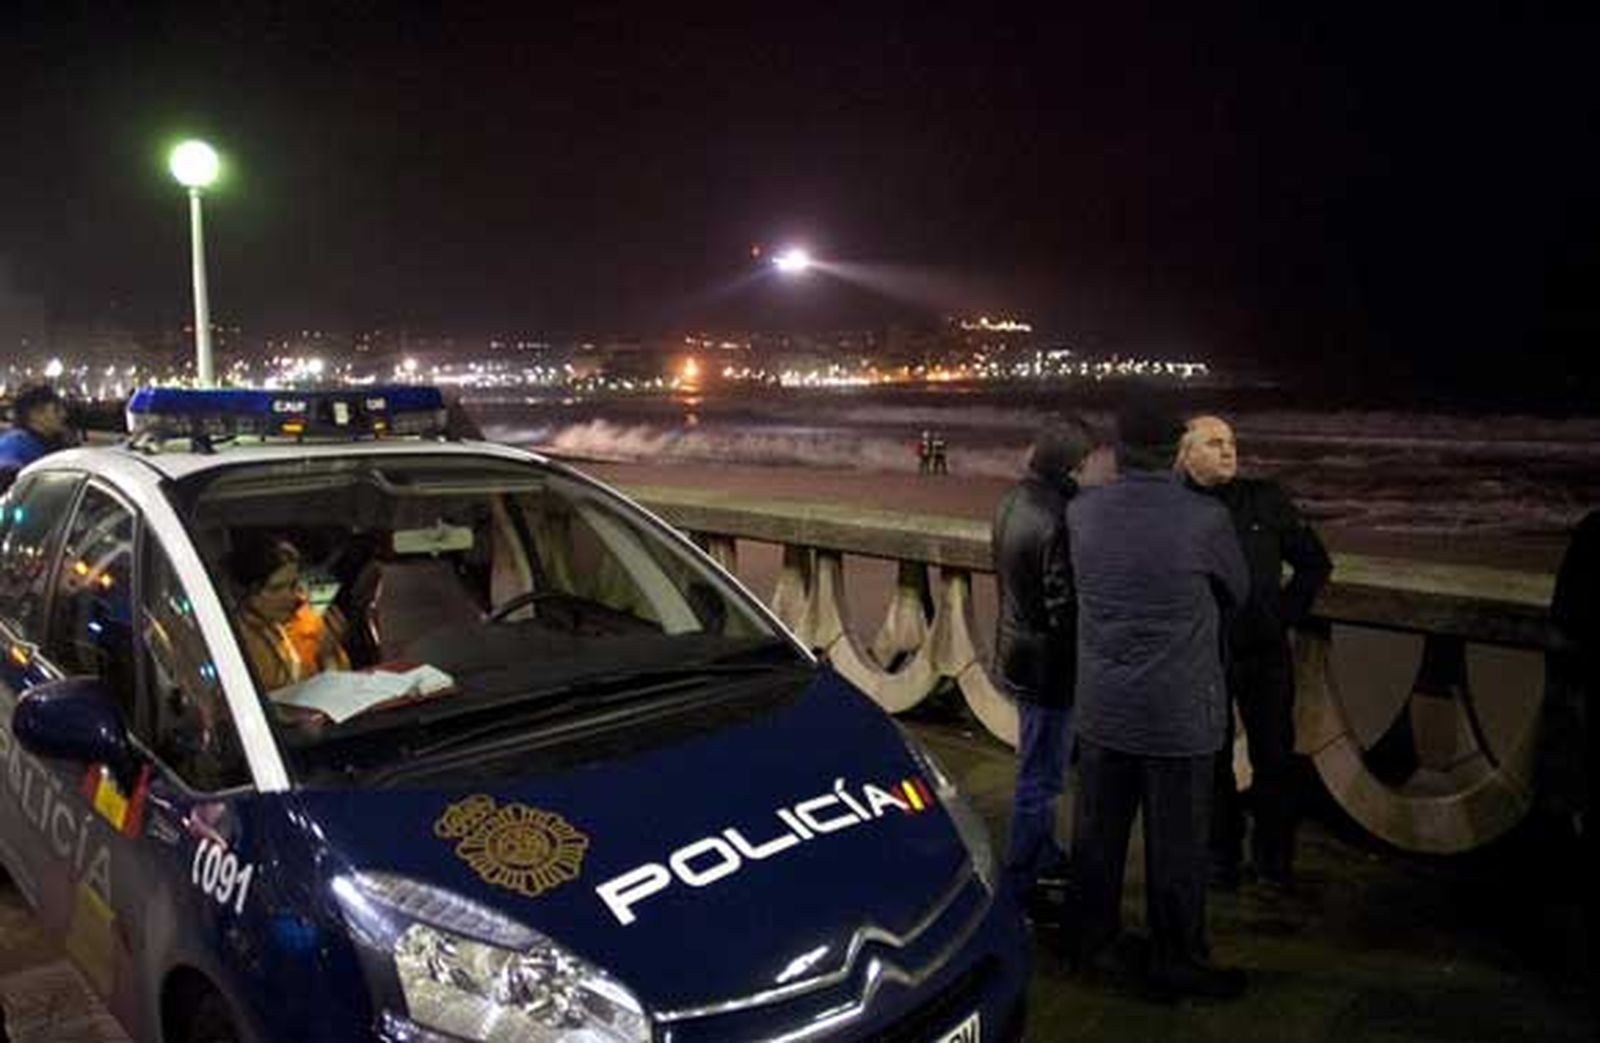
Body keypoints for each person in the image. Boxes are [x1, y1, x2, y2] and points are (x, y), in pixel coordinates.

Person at [1067, 402, 1250, 1000]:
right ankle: (1177, 959)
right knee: (1178, 848)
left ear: (1117, 452)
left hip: (1103, 707)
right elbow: (1238, 591)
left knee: (1098, 838)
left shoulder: (1082, 510)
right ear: (1175, 453)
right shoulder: (1206, 519)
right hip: (1177, 713)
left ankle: (1092, 944)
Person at [1179, 414, 1332, 889]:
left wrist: (1280, 615)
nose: (1228, 450)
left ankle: (1273, 861)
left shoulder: (1266, 497)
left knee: (1275, 758)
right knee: (1211, 759)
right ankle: (1220, 857)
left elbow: (1314, 563)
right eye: (1213, 443)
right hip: (1202, 655)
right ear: (1185, 453)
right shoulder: (1174, 506)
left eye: (1230, 442)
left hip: (1264, 653)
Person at [992, 418, 1102, 917]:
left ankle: (1041, 853)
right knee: (1041, 778)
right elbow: (1064, 608)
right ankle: (1021, 879)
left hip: (1016, 652)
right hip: (1049, 668)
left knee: (1037, 767)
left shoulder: (1011, 501)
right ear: (1073, 463)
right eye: (1088, 460)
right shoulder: (1060, 516)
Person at [224, 532, 349, 693]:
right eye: (277, 589)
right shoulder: (236, 642)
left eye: (294, 585)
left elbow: (340, 686)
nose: (294, 596)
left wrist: (328, 653)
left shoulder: (304, 621)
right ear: (246, 594)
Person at [0, 384, 74, 489]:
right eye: (56, 410)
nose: (64, 414)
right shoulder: (13, 447)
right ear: (34, 414)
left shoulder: (58, 442)